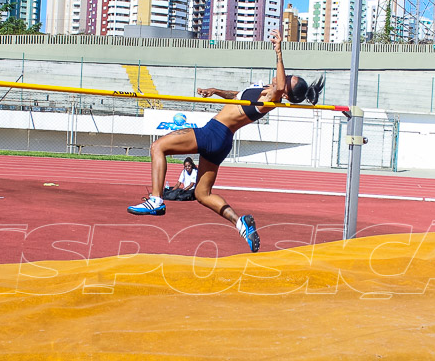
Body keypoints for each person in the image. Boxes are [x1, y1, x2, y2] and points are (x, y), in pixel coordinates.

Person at [127, 30, 324, 253]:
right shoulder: (261, 90)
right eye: (287, 76)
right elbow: (236, 96)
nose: (284, 78)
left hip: (215, 133)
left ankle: (156, 200)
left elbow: (279, 87)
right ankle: (241, 225)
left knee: (157, 147)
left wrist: (278, 51)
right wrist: (215, 91)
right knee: (203, 194)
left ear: (286, 94)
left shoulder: (271, 99)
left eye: (288, 80)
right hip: (222, 140)